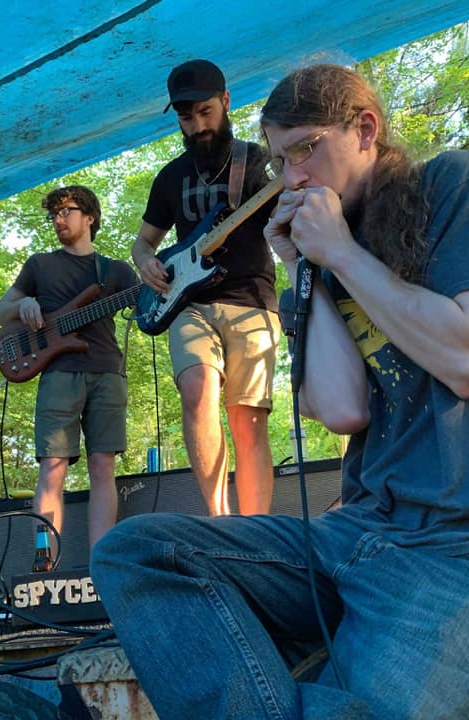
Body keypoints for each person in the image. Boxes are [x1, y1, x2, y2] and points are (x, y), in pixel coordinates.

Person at [92, 64, 469, 719]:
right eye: (280, 161)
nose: (292, 178)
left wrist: (341, 254)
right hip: (364, 532)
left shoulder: (451, 183)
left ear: (365, 129)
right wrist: (302, 264)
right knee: (136, 552)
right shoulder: (326, 249)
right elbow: (341, 409)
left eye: (305, 150)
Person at [132, 59, 280, 516]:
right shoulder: (169, 177)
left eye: (205, 112)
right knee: (197, 392)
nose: (197, 126)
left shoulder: (258, 162)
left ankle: (255, 529)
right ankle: (220, 520)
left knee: (247, 417)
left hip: (251, 300)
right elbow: (143, 242)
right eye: (186, 117)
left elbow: (288, 224)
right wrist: (146, 262)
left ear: (226, 102)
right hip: (188, 304)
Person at [0, 186, 137, 550]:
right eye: (53, 215)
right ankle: (46, 560)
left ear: (90, 217)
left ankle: (100, 561)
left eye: (65, 211)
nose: (58, 220)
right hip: (59, 373)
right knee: (52, 466)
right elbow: (0, 312)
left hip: (108, 371)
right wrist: (23, 304)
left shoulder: (117, 271)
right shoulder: (39, 265)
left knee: (103, 466)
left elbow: (149, 308)